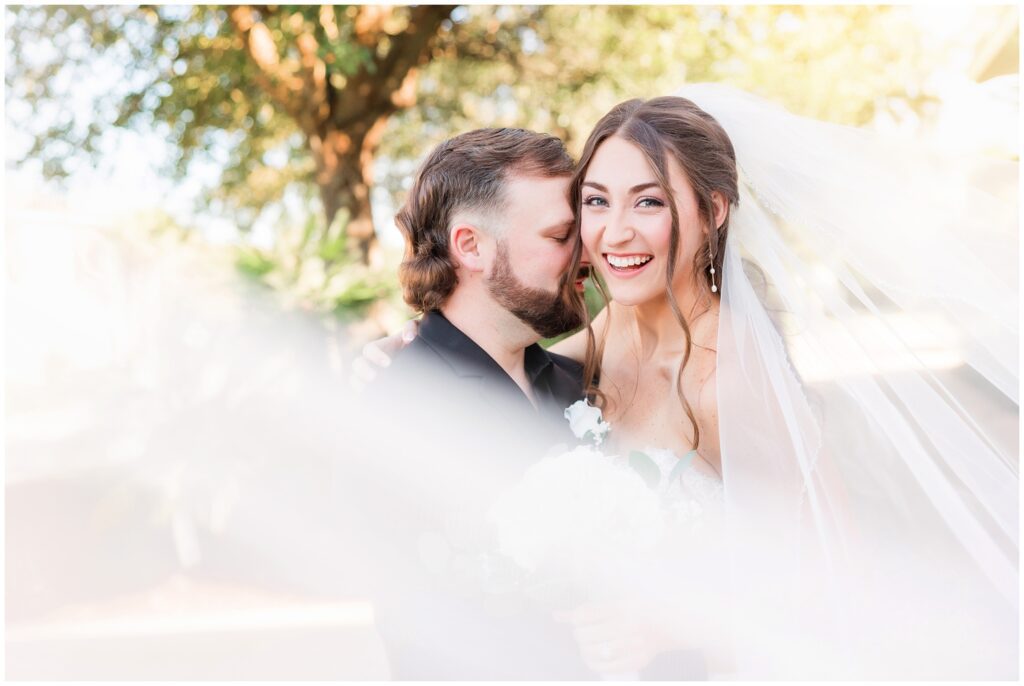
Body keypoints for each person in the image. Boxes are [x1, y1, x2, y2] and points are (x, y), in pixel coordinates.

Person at [360, 85, 1018, 678]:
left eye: (649, 201)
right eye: (595, 203)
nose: (614, 232)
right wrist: (402, 348)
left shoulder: (728, 373)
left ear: (713, 211)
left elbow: (824, 577)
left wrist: (668, 625)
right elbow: (484, 353)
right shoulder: (600, 338)